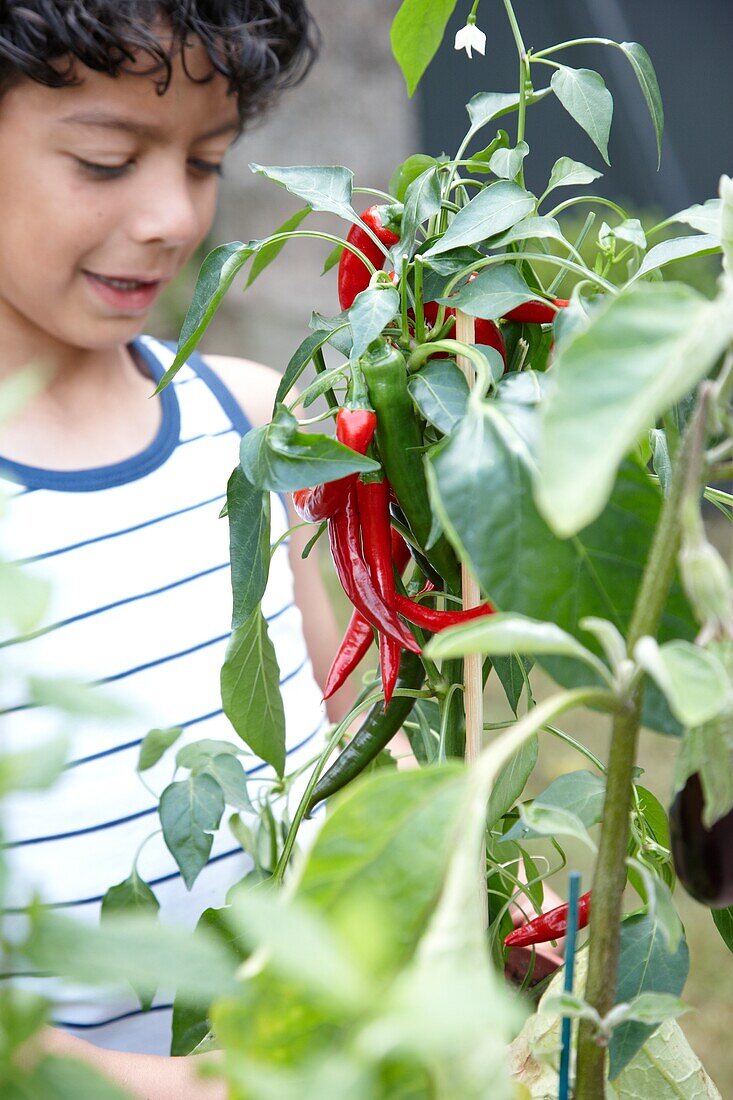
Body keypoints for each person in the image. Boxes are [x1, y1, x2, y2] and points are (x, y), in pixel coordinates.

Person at [0, 3, 350, 1096]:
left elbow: (352, 752)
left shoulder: (247, 429)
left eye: (204, 162)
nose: (170, 217)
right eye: (107, 162)